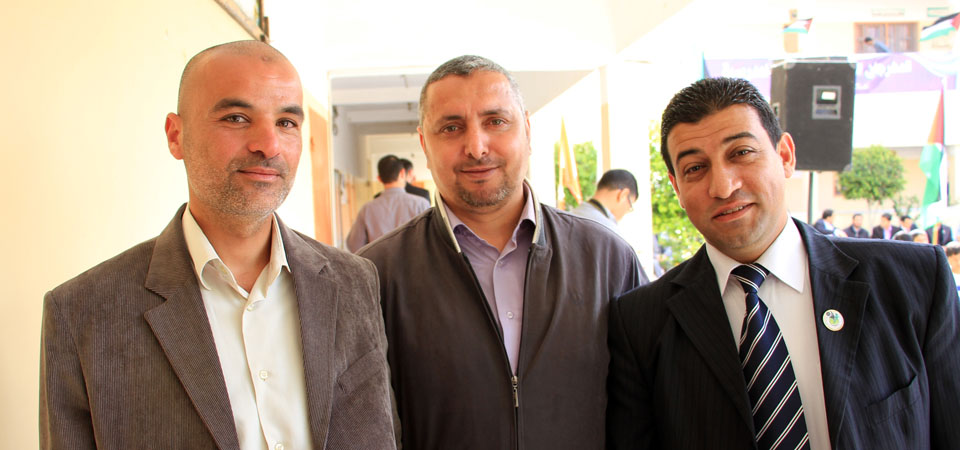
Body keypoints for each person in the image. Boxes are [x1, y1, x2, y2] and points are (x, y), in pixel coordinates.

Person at [39, 41, 397, 450]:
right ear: (176, 136)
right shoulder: (84, 313)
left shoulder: (354, 281)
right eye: (236, 118)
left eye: (286, 122)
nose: (269, 145)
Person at [608, 77, 960, 449]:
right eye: (695, 168)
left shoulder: (912, 281)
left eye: (741, 152)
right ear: (677, 188)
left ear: (786, 156)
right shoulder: (641, 323)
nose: (723, 186)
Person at [358, 55, 646, 449]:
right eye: (451, 127)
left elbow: (643, 411)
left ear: (527, 129)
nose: (476, 147)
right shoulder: (376, 275)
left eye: (496, 121)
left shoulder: (607, 258)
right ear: (425, 143)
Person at [345, 154, 430, 252]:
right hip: (414, 260)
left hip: (377, 261)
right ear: (402, 173)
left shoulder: (367, 209)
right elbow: (430, 241)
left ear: (379, 178)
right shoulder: (421, 204)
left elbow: (354, 245)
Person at [570, 169, 638, 231]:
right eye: (630, 206)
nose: (626, 212)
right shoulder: (608, 229)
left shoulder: (571, 215)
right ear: (623, 195)